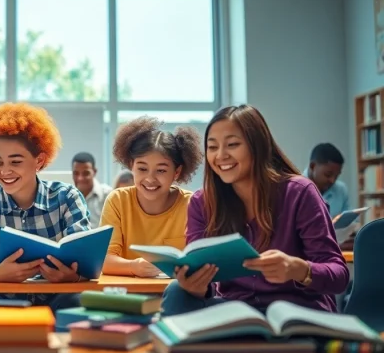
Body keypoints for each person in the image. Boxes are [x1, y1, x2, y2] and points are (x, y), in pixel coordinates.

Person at [162, 104, 349, 316]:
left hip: (297, 311)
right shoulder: (202, 203)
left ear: (257, 146)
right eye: (212, 147)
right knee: (177, 291)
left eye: (232, 144)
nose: (221, 155)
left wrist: (298, 269)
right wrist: (196, 286)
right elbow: (202, 278)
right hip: (236, 312)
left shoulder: (300, 192)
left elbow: (339, 276)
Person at [0, 103, 89, 312]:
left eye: (15, 162)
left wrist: (74, 276)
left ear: (39, 161)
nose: (4, 171)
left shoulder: (67, 198)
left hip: (58, 298)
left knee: (76, 302)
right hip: (3, 299)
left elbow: (86, 258)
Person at [100, 116, 202, 277]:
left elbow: (200, 260)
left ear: (177, 172)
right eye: (142, 169)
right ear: (131, 166)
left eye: (161, 170)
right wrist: (133, 267)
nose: (150, 179)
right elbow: (103, 260)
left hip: (178, 293)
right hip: (127, 295)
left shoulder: (192, 204)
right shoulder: (118, 200)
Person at [304, 143, 349, 218]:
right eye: (328, 175)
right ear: (312, 166)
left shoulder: (341, 189)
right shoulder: (294, 190)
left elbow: (351, 223)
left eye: (337, 176)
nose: (332, 181)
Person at [71, 151, 112, 226]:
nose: (80, 178)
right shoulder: (67, 196)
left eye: (86, 173)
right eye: (76, 173)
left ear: (94, 172)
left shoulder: (108, 195)